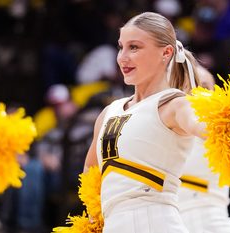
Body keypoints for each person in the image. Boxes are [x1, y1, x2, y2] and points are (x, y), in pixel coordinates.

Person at [84, 12, 206, 233]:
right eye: (121, 47)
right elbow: (90, 170)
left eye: (134, 47)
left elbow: (204, 126)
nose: (122, 57)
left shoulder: (175, 104)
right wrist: (94, 217)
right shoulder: (108, 112)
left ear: (166, 52)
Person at [178, 66, 230, 233]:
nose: (196, 93)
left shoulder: (223, 126)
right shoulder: (162, 127)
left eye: (204, 87)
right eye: (188, 87)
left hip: (206, 215)